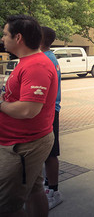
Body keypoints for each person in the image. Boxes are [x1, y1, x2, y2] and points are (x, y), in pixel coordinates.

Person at [0, 15, 58, 217]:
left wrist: (0, 103)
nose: (2, 38)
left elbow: (28, 110)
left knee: (8, 206)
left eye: (5, 34)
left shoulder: (36, 65)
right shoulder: (29, 62)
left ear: (18, 38)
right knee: (34, 189)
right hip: (23, 143)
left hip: (23, 146)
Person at [41, 27, 63, 210]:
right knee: (48, 152)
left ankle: (54, 191)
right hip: (50, 111)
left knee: (50, 153)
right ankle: (49, 186)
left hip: (49, 111)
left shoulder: (46, 59)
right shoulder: (48, 57)